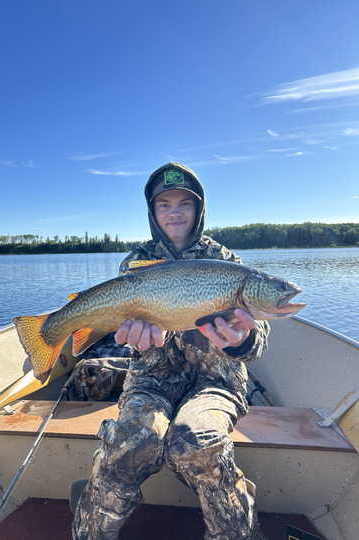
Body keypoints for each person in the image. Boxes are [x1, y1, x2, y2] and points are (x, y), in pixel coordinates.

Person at [72, 163, 270, 540]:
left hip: (214, 383)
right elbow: (124, 329)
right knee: (129, 441)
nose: (175, 211)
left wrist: (241, 340)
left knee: (196, 439)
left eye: (184, 203)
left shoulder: (226, 263)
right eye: (164, 204)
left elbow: (257, 340)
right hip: (150, 382)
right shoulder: (135, 263)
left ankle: (238, 529)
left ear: (199, 209)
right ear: (153, 212)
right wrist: (130, 338)